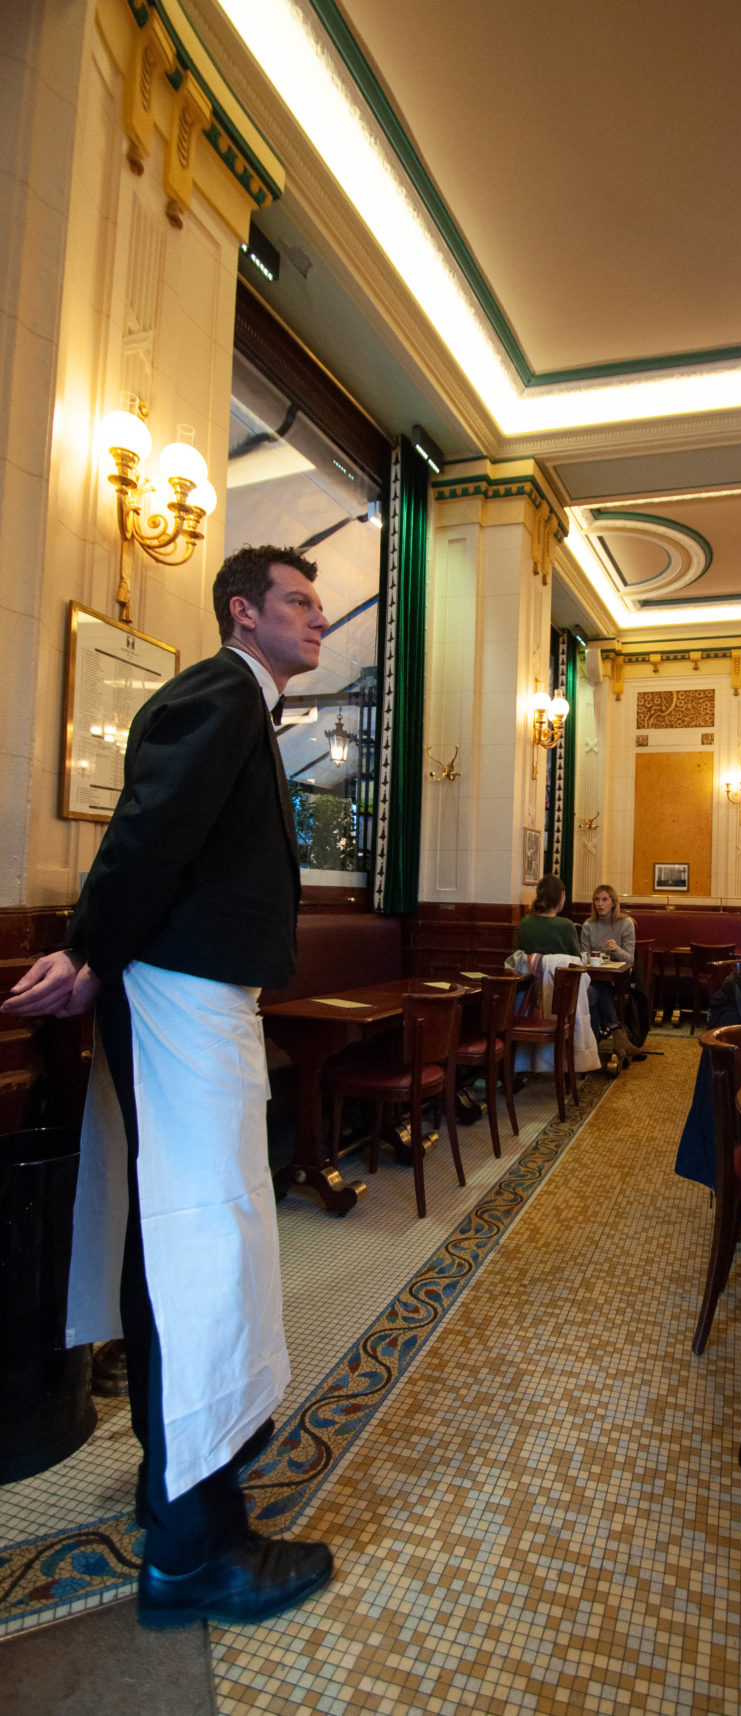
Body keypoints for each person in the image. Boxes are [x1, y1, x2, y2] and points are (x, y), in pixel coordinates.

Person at [2, 545, 335, 1630]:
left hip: (190, 994)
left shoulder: (241, 704)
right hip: (182, 999)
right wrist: (90, 948)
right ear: (243, 612)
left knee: (184, 1248)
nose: (319, 617)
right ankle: (197, 1550)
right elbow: (148, 834)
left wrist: (100, 951)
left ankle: (179, 1479)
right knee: (205, 1253)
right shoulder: (217, 693)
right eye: (298, 600)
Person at [578, 884, 637, 1070]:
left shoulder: (625, 923)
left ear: (613, 903)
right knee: (594, 992)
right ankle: (616, 1032)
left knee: (598, 990)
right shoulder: (588, 925)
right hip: (594, 976)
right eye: (596, 899)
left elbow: (630, 958)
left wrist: (615, 949)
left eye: (604, 899)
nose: (600, 904)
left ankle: (593, 1045)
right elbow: (584, 956)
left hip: (619, 978)